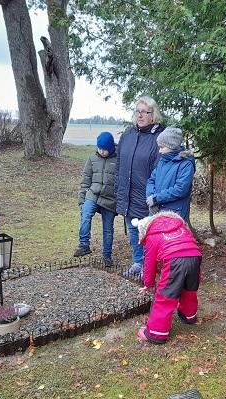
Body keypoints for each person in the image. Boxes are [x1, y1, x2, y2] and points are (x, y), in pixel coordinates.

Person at [132, 211, 202, 344]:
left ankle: (156, 333)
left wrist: (148, 283)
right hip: (195, 256)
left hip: (174, 260)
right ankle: (189, 315)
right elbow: (191, 243)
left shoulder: (152, 235)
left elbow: (149, 263)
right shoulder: (181, 227)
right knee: (189, 290)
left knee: (165, 296)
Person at [115, 96, 165, 277]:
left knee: (148, 234)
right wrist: (118, 188)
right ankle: (138, 262)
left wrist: (154, 197)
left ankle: (148, 267)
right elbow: (119, 165)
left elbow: (159, 172)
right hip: (127, 194)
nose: (140, 115)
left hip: (146, 197)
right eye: (138, 111)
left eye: (145, 112)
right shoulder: (128, 135)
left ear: (153, 115)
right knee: (133, 230)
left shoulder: (159, 138)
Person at [73, 132, 117, 268]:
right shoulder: (92, 158)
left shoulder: (119, 160)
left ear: (111, 148)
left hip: (110, 199)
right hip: (93, 195)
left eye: (105, 149)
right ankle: (84, 245)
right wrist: (82, 200)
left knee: (108, 228)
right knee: (85, 214)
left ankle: (107, 255)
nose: (102, 151)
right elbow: (85, 180)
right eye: (99, 148)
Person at [146, 127, 196, 222]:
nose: (159, 151)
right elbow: (151, 180)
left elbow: (180, 189)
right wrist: (151, 198)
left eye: (162, 147)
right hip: (156, 210)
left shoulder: (186, 164)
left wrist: (156, 199)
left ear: (172, 146)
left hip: (174, 213)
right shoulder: (163, 160)